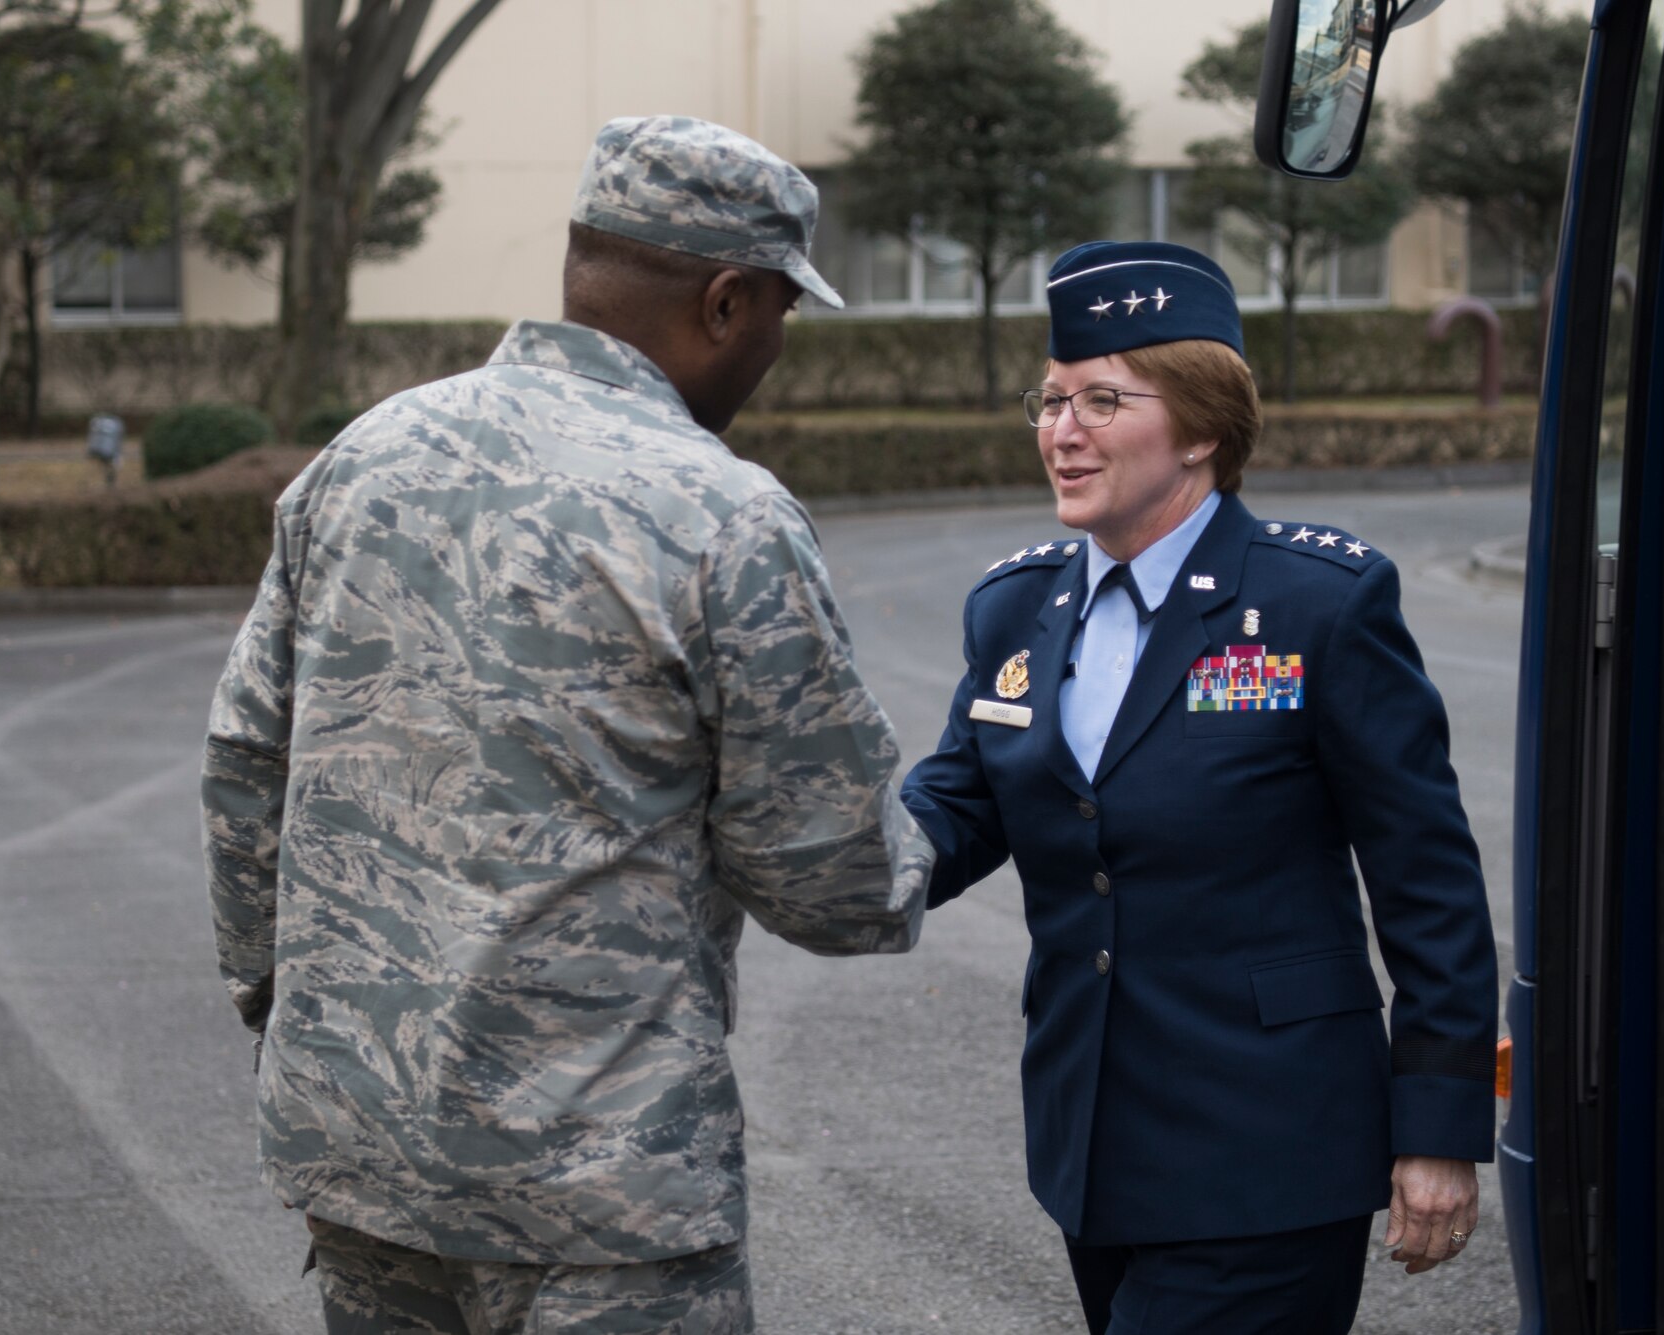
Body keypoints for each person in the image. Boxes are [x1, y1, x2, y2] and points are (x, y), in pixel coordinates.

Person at [202, 115, 932, 1335]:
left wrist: (293, 1022)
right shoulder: (722, 514)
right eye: (778, 316)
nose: (774, 345)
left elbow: (243, 767)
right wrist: (938, 837)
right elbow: (832, 881)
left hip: (363, 1159)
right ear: (722, 301)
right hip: (602, 1191)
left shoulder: (361, 458)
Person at [900, 240, 1499, 1335]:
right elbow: (952, 811)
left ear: (1202, 428)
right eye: (1049, 400)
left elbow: (1425, 876)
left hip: (1268, 1146)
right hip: (1093, 1143)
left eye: (1100, 400)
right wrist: (791, 842)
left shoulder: (1321, 602)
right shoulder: (1013, 610)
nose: (1059, 430)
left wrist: (1438, 1125)